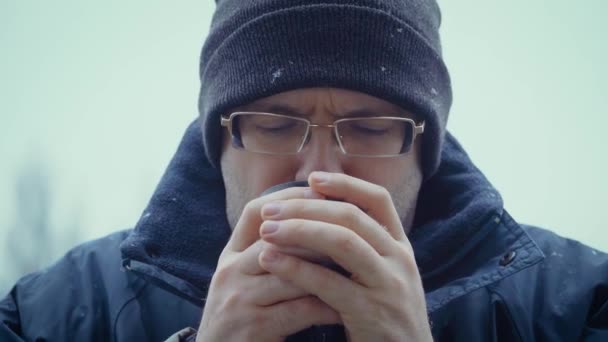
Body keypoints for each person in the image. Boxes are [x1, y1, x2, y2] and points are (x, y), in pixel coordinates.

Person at [1, 0, 607, 341]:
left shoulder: (579, 309)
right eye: (274, 123)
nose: (319, 170)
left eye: (370, 129)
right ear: (220, 140)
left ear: (426, 148)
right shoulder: (50, 317)